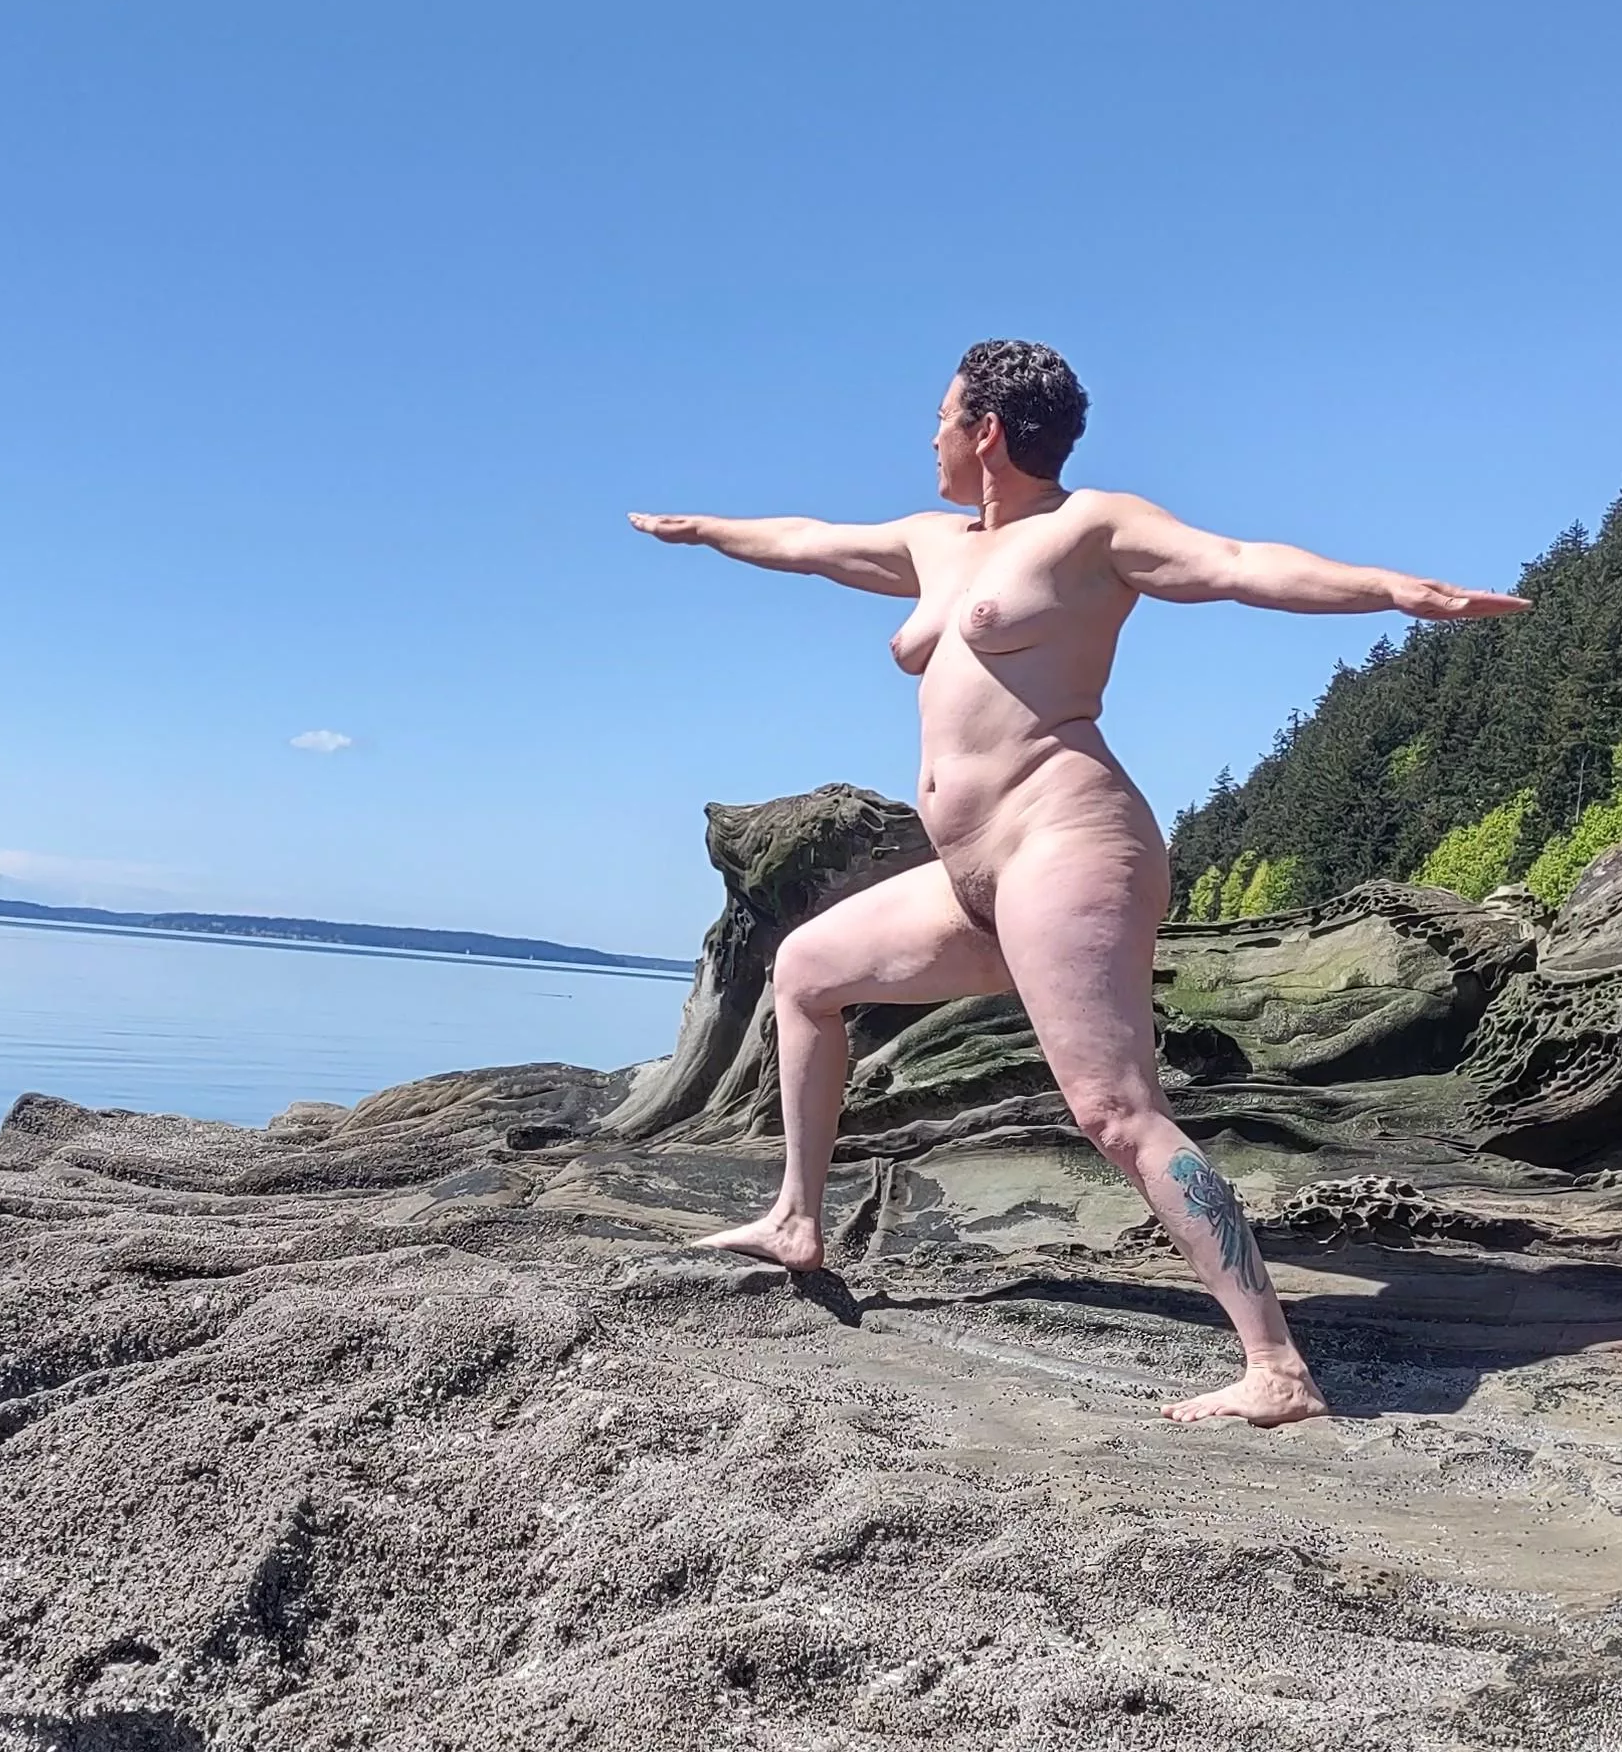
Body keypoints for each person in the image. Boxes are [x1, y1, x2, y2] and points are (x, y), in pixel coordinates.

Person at [631, 338, 1528, 1427]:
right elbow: (812, 543)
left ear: (987, 431)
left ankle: (1276, 1368)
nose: (930, 436)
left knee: (1113, 1109)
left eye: (942, 418)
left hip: (1066, 842)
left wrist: (1394, 590)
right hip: (972, 874)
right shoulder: (937, 544)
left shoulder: (1092, 527)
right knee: (808, 969)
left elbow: (1240, 563)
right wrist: (706, 531)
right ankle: (795, 1220)